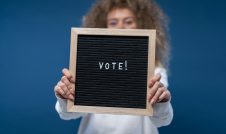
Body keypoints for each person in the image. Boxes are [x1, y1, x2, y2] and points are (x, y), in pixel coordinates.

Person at [54, 0, 173, 134]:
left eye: (128, 21)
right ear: (104, 27)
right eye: (113, 22)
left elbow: (162, 120)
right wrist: (66, 97)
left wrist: (161, 102)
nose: (120, 27)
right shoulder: (90, 66)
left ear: (141, 24)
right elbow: (69, 114)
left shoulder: (155, 71)